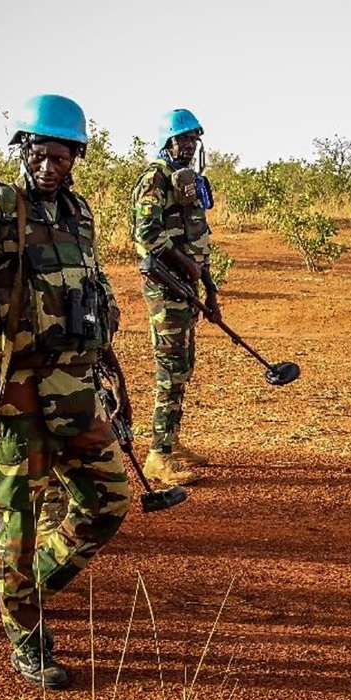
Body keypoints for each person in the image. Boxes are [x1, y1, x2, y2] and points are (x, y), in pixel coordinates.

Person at [0, 94, 131, 689]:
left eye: (62, 155)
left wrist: (110, 361)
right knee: (17, 520)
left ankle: (23, 587)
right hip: (16, 390)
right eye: (40, 152)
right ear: (23, 150)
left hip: (76, 385)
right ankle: (26, 631)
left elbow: (91, 292)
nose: (51, 164)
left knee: (108, 501)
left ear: (76, 157)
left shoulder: (79, 213)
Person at [129, 109, 220, 487]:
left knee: (184, 365)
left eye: (193, 140)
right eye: (183, 139)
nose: (188, 146)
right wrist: (186, 266)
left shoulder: (189, 181)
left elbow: (199, 241)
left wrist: (210, 287)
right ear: (168, 141)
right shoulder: (155, 178)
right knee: (169, 370)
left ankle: (171, 441)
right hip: (165, 287)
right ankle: (157, 456)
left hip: (187, 286)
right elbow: (147, 234)